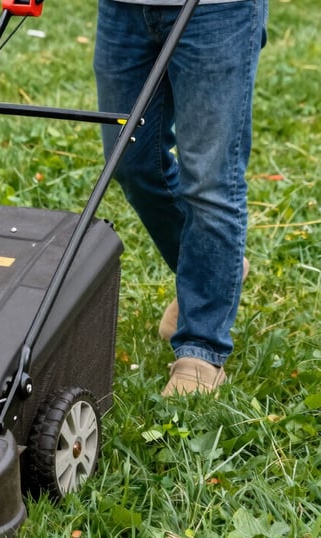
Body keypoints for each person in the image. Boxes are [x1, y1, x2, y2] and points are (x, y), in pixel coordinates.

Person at [92, 0, 268, 396]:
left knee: (210, 181)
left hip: (218, 11)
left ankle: (201, 349)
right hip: (124, 10)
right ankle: (214, 271)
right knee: (131, 162)